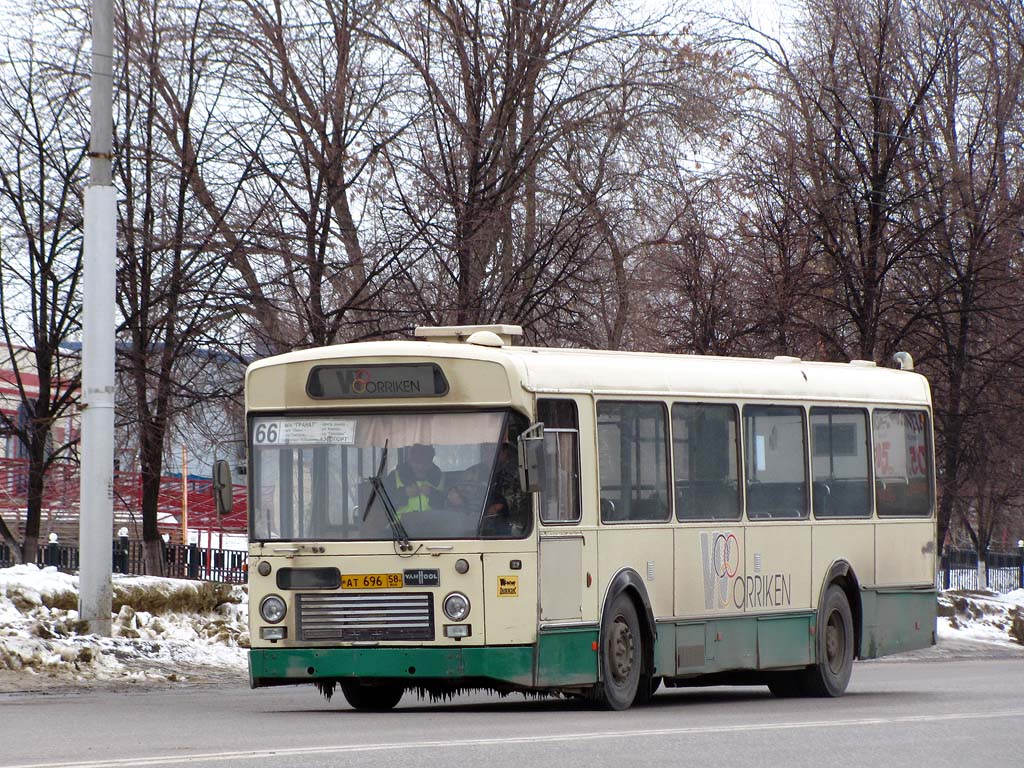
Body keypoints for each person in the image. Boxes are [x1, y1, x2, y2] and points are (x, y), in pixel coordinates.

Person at [388, 443, 445, 516]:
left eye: (425, 463)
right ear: (410, 460)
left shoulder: (439, 477)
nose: (420, 467)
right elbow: (383, 506)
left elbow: (445, 507)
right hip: (400, 526)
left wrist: (432, 494)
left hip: (431, 525)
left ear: (431, 461)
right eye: (417, 462)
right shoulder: (394, 476)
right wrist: (403, 493)